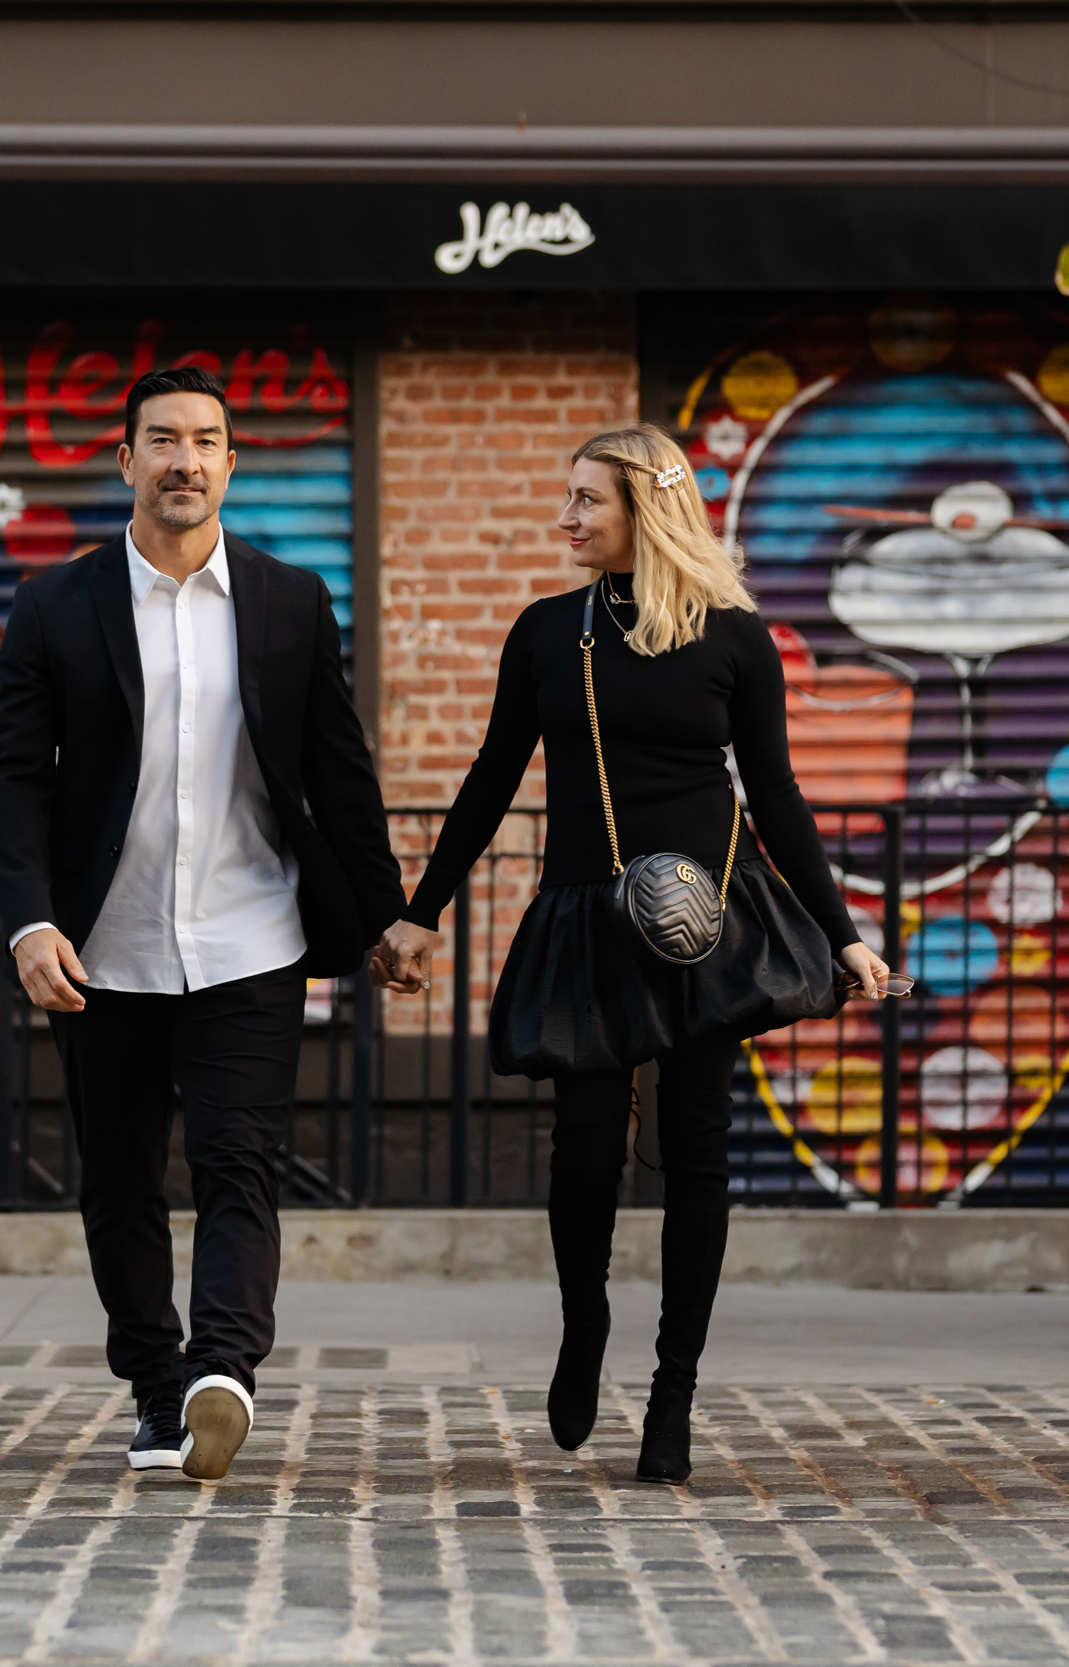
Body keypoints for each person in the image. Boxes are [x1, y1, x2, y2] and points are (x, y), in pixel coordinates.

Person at [375, 422, 890, 1484]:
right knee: (585, 1140)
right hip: (585, 914)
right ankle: (583, 1319)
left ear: (644, 510)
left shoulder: (734, 636)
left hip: (707, 919)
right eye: (566, 499)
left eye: (584, 502)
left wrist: (843, 930)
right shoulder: (546, 631)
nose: (563, 518)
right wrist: (422, 908)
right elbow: (488, 776)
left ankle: (674, 1390)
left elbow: (778, 795)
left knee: (698, 1148)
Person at [0, 365, 403, 1482]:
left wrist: (388, 914)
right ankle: (157, 1387)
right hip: (100, 948)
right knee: (118, 1176)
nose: (185, 459)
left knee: (238, 1162)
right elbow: (14, 777)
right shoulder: (53, 602)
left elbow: (338, 771)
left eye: (206, 440)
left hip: (249, 934)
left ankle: (223, 1370)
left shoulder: (288, 600)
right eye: (162, 439)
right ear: (125, 461)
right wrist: (28, 922)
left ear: (230, 461)